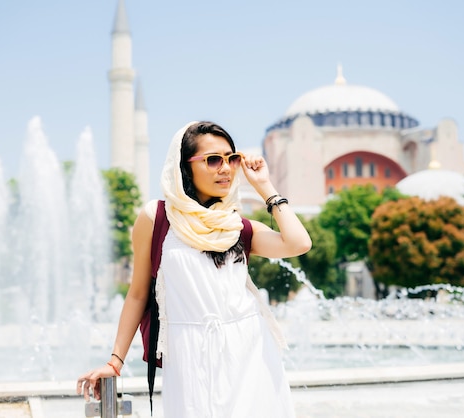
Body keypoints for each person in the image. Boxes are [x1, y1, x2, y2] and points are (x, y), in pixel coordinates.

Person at [76, 121, 312, 417]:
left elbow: (298, 243)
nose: (225, 168)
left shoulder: (237, 226)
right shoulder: (157, 218)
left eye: (231, 159)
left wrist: (265, 186)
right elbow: (138, 294)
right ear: (184, 167)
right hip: (187, 352)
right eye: (213, 160)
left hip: (249, 351)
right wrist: (115, 362)